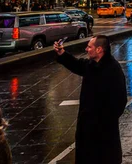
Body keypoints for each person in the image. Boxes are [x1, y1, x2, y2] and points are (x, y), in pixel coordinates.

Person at [54, 35, 127, 164]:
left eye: (89, 46)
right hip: (87, 127)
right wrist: (62, 54)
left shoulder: (113, 69)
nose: (86, 49)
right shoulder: (91, 65)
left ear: (99, 49)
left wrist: (106, 119)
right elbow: (77, 65)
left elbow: (120, 100)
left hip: (104, 130)